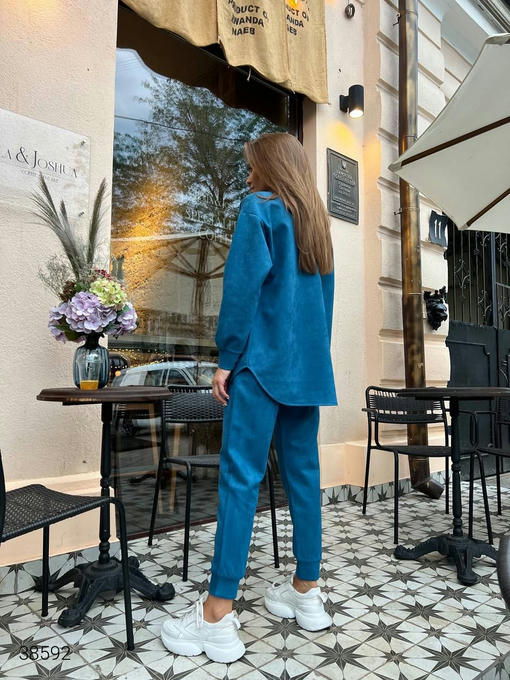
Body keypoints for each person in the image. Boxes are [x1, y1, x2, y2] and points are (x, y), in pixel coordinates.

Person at [161, 132, 337, 663]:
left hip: (260, 366)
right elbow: (323, 308)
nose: (247, 175)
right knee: (304, 479)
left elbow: (241, 290)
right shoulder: (316, 223)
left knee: (240, 479)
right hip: (306, 369)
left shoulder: (259, 208)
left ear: (269, 166)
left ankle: (217, 613)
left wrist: (227, 357)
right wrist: (310, 360)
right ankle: (307, 591)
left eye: (251, 165)